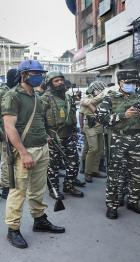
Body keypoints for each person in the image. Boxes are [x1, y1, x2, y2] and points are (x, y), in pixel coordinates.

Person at [2, 60, 65, 249]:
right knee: (18, 191)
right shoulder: (12, 96)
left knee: (38, 190)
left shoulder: (37, 96)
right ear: (24, 75)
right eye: (34, 73)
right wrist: (23, 152)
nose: (39, 76)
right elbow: (9, 128)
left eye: (40, 73)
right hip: (25, 152)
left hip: (41, 148)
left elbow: (37, 121)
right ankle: (13, 229)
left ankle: (39, 220)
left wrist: (44, 136)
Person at [97, 69, 140, 219]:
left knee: (136, 173)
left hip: (138, 139)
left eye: (134, 83)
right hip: (118, 140)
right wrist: (123, 115)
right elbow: (101, 118)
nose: (132, 85)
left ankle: (133, 202)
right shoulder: (110, 98)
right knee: (116, 174)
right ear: (120, 83)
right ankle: (112, 205)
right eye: (129, 83)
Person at [41, 71, 84, 199]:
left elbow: (72, 114)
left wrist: (75, 131)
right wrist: (45, 135)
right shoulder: (44, 99)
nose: (60, 82)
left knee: (74, 162)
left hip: (68, 135)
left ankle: (69, 185)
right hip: (53, 138)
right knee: (53, 166)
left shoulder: (68, 97)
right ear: (50, 83)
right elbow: (38, 119)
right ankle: (54, 190)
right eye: (56, 81)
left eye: (61, 80)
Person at [0, 69, 18, 199]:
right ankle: (6, 187)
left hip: (17, 133)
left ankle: (15, 184)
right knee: (7, 161)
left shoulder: (17, 92)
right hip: (5, 134)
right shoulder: (0, 93)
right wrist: (2, 134)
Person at [79, 81, 108, 182]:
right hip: (90, 125)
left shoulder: (103, 99)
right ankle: (87, 172)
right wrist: (81, 126)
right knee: (93, 149)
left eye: (101, 90)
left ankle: (95, 170)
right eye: (99, 89)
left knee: (100, 149)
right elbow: (81, 114)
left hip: (100, 125)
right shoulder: (87, 98)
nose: (100, 91)